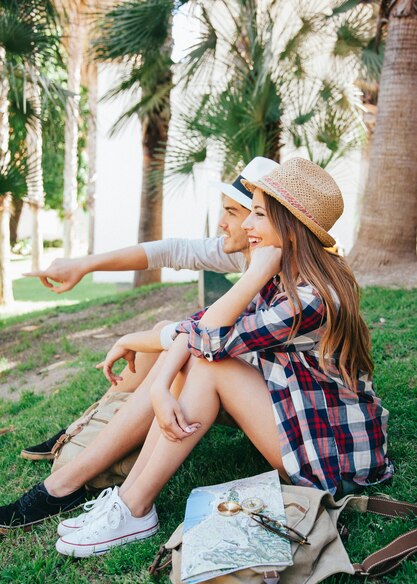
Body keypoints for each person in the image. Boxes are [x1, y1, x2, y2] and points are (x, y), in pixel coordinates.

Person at [47, 156, 392, 557]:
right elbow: (198, 328)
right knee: (199, 363)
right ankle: (127, 500)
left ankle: (135, 507)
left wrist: (251, 274)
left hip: (334, 457)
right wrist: (160, 384)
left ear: (290, 229)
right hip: (300, 425)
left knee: (213, 368)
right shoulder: (284, 276)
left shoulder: (312, 297)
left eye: (258, 214)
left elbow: (210, 340)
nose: (246, 225)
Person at [0, 157, 276, 531]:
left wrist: (136, 339)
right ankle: (86, 432)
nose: (225, 223)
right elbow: (168, 252)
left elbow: (206, 338)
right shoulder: (249, 253)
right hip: (248, 384)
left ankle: (74, 482)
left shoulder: (283, 278)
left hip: (270, 403)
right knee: (167, 339)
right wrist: (85, 264)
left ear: (268, 220)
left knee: (182, 353)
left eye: (236, 212)